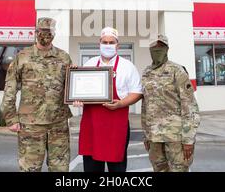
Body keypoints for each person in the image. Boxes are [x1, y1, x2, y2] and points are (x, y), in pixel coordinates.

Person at [1, 17, 72, 172]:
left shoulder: (63, 57)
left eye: (49, 31)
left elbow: (71, 87)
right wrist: (10, 118)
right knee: (30, 169)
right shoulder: (22, 57)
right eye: (42, 31)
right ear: (36, 32)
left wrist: (79, 96)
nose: (45, 35)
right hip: (31, 125)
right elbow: (10, 89)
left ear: (54, 33)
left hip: (58, 123)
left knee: (60, 168)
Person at [74, 27, 142, 172]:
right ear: (99, 43)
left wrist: (121, 103)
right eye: (105, 42)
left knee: (117, 168)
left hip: (116, 124)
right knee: (92, 168)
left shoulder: (127, 67)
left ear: (118, 45)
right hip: (92, 124)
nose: (108, 45)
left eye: (111, 42)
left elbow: (137, 92)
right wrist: (77, 99)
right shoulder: (89, 64)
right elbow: (79, 90)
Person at [141, 35, 200, 172]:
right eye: (154, 47)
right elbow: (146, 105)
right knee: (159, 170)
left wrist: (188, 139)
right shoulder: (146, 73)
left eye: (161, 47)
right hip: (154, 136)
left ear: (167, 49)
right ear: (150, 49)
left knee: (179, 170)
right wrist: (146, 135)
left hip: (176, 137)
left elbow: (190, 106)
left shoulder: (177, 71)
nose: (157, 50)